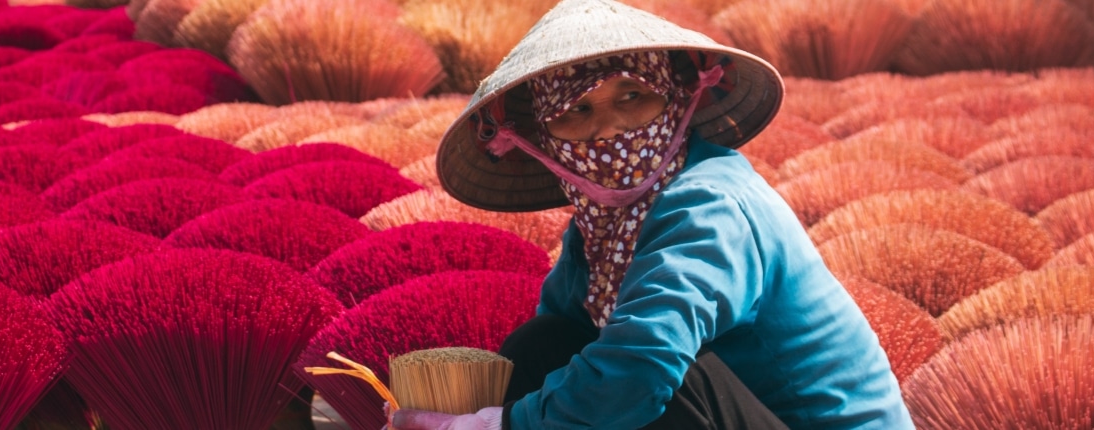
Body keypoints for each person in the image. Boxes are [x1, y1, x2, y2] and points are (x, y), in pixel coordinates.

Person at [389, 0, 912, 428]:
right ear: (542, 139)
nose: (610, 129)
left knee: (660, 374)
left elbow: (644, 365)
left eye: (633, 97)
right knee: (544, 345)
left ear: (678, 97)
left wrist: (496, 425)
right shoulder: (598, 229)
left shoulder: (709, 203)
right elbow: (556, 340)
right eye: (576, 112)